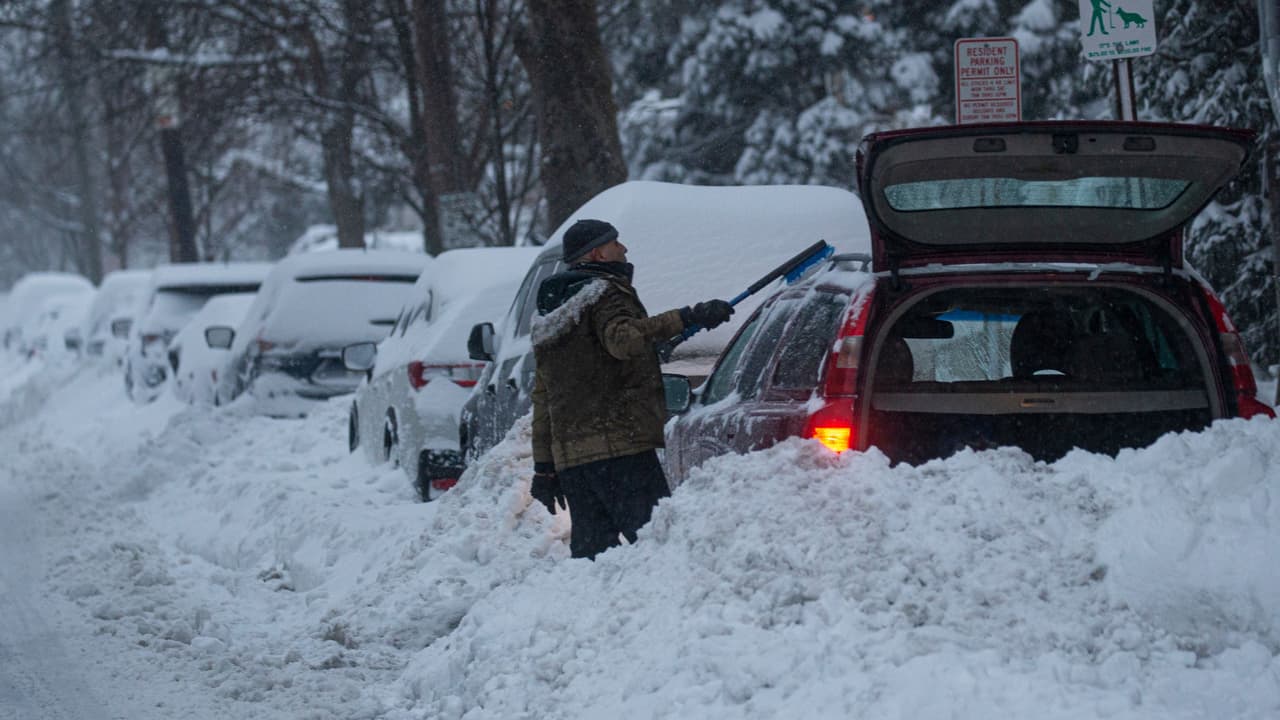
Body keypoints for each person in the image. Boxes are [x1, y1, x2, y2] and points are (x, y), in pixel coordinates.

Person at [529, 218, 733, 559]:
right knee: (658, 549)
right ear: (597, 253)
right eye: (615, 243)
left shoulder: (551, 317)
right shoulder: (604, 292)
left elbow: (544, 396)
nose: (623, 249)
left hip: (574, 463)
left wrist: (545, 467)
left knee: (592, 563)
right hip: (620, 451)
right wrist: (687, 316)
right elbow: (622, 341)